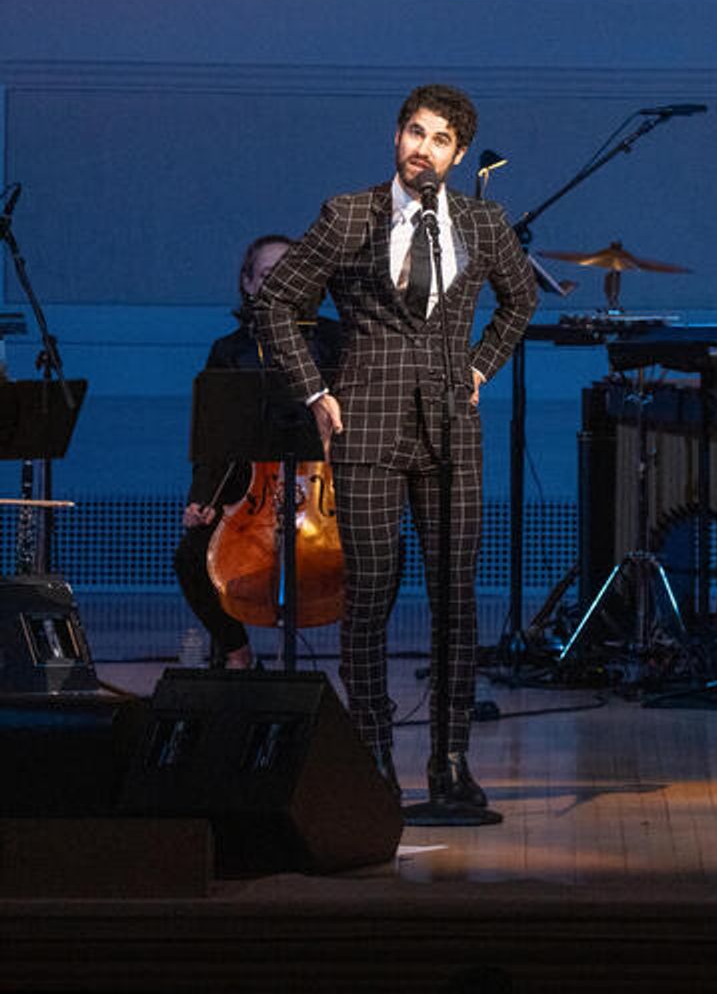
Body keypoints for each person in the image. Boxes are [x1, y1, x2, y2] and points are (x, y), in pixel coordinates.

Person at [252, 84, 537, 806]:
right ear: (397, 136)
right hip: (367, 425)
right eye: (415, 132)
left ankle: (450, 761)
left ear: (460, 153)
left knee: (455, 599)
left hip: (450, 428)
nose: (424, 148)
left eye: (441, 140)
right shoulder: (350, 213)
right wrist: (316, 391)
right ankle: (374, 755)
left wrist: (480, 367)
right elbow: (276, 300)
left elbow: (521, 298)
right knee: (372, 593)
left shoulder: (481, 219)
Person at [174, 234, 341, 670]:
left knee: (387, 550)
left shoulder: (337, 342)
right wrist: (203, 497)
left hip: (325, 495)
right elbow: (215, 442)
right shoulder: (230, 352)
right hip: (251, 498)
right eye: (268, 275)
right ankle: (236, 651)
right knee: (191, 555)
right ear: (248, 284)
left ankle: (361, 656)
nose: (281, 283)